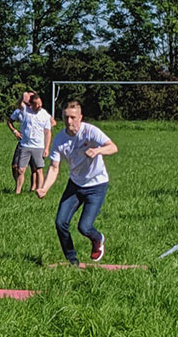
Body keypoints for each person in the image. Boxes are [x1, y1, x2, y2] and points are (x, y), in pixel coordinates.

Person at [36, 101, 118, 266]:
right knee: (61, 222)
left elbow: (113, 147)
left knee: (84, 227)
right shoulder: (60, 139)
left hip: (97, 185)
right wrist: (45, 187)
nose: (69, 121)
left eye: (73, 117)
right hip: (75, 184)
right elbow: (54, 167)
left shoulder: (90, 131)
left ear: (80, 117)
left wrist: (98, 150)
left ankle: (98, 239)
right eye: (66, 117)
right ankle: (72, 259)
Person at [8, 93, 52, 194]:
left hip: (39, 146)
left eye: (40, 104)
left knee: (38, 170)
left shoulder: (44, 114)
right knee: (20, 170)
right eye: (37, 104)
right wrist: (23, 97)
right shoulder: (25, 110)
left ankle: (39, 191)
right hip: (25, 146)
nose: (40, 106)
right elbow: (19, 104)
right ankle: (17, 192)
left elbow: (48, 132)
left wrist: (46, 148)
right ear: (31, 105)